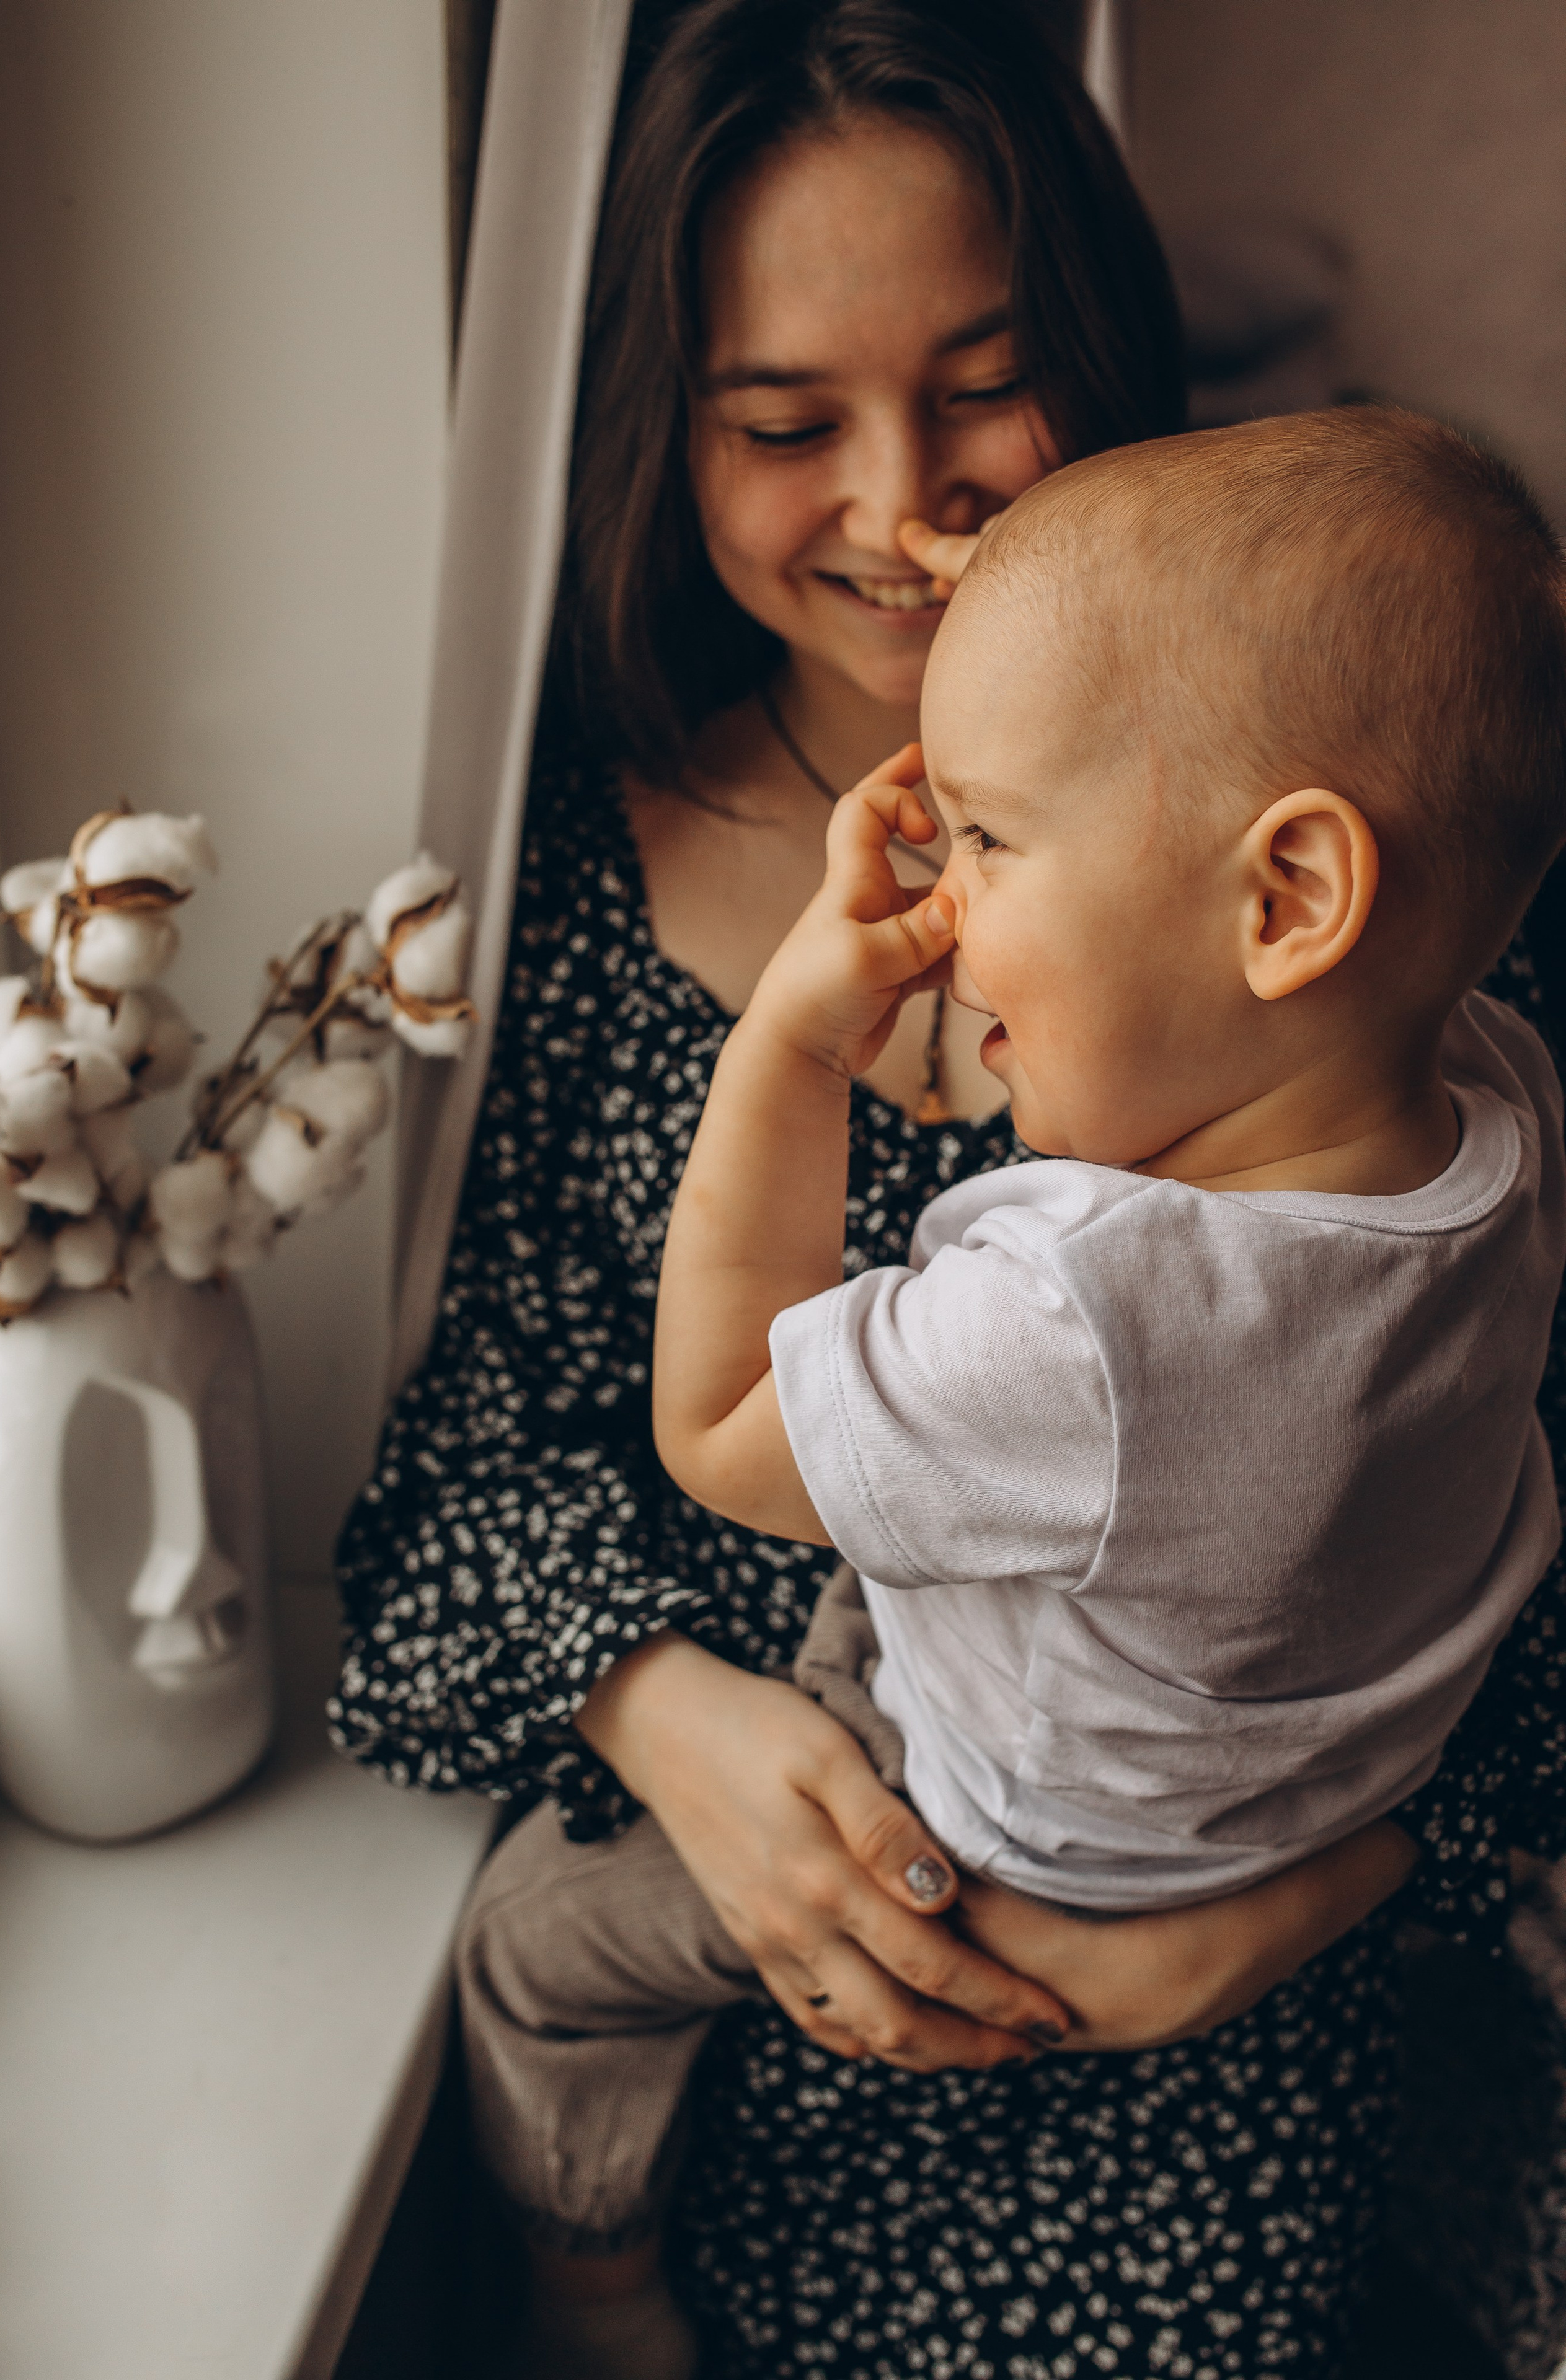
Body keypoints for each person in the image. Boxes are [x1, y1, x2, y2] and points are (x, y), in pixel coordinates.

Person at [330, 5, 1566, 2374]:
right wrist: (664, 1716)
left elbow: (1509, 1477)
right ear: (666, 439)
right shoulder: (572, 906)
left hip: (1265, 2109)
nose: (904, 499)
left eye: (983, 377)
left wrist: (1330, 1880)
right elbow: (423, 1531)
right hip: (771, 2131)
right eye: (785, 421)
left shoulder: (1423, 914)